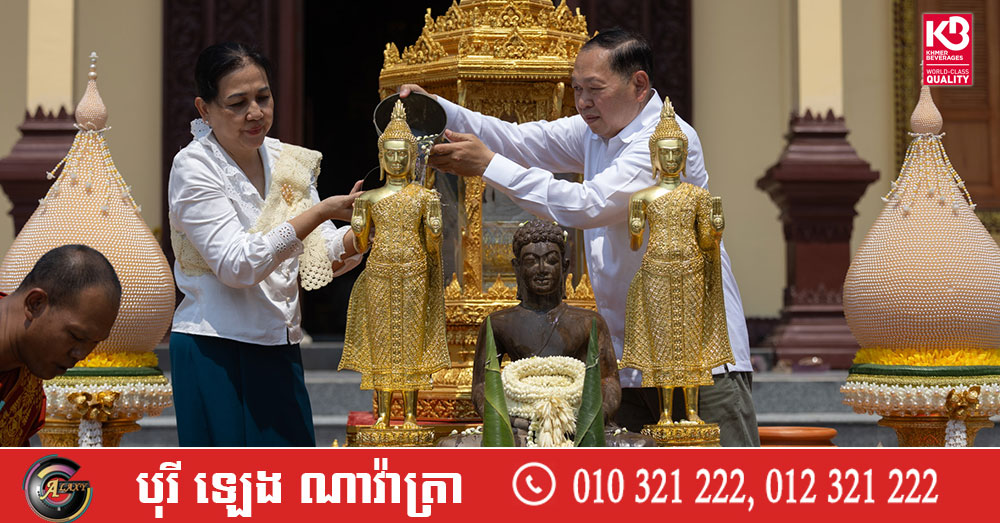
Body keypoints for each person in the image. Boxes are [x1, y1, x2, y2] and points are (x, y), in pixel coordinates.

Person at [402, 29, 759, 446]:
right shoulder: (596, 131)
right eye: (576, 89)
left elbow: (588, 205)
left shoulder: (665, 140)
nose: (583, 101)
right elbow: (519, 140)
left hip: (695, 353)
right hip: (628, 357)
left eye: (594, 89)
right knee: (632, 481)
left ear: (638, 84)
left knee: (721, 475)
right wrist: (436, 109)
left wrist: (487, 166)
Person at [168, 42, 363, 446]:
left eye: (263, 97)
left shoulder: (287, 161)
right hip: (216, 348)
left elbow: (320, 253)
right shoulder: (194, 167)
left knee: (289, 479)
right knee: (227, 482)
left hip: (279, 344)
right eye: (237, 103)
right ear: (204, 109)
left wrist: (363, 229)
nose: (255, 112)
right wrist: (320, 211)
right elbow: (236, 266)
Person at [338, 100, 450, 430]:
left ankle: (411, 415)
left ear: (413, 157)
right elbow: (361, 247)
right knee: (382, 341)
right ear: (381, 156)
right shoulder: (369, 198)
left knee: (412, 341)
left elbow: (433, 246)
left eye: (403, 155)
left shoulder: (425, 197)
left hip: (415, 272)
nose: (397, 160)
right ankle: (384, 414)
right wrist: (359, 226)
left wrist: (435, 229)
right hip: (379, 273)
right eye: (391, 154)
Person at [0, 245, 121, 446]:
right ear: (35, 303)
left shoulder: (27, 370)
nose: (81, 354)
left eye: (94, 342)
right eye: (76, 336)